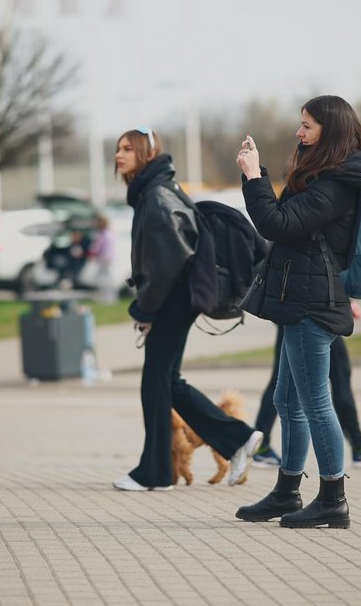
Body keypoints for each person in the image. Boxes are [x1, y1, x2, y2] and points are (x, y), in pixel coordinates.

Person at [234, 95, 361, 529]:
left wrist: (250, 178)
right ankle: (286, 492)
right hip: (299, 295)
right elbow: (285, 216)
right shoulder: (328, 175)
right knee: (286, 398)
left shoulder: (336, 184)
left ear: (330, 132)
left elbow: (276, 223)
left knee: (315, 401)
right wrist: (259, 175)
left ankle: (333, 497)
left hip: (309, 301)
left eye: (307, 126)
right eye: (300, 125)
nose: (299, 133)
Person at [112, 126, 263, 492]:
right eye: (117, 149)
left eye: (128, 149)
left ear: (147, 153)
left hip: (173, 297)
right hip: (178, 295)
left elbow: (168, 260)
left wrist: (145, 310)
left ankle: (156, 472)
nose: (119, 155)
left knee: (155, 383)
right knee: (167, 382)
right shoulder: (156, 189)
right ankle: (236, 440)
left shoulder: (156, 195)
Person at [252, 301, 361, 468]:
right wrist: (345, 300)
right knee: (335, 376)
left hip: (298, 305)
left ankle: (261, 447)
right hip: (313, 307)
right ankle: (359, 448)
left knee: (284, 380)